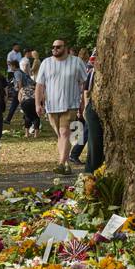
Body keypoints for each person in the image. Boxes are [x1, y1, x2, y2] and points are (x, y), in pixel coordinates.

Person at [36, 38, 88, 174]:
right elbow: (40, 85)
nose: (55, 49)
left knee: (65, 133)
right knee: (60, 135)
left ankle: (60, 163)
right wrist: (38, 103)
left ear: (65, 47)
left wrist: (83, 102)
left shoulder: (76, 62)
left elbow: (85, 84)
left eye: (58, 47)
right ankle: (65, 164)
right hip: (51, 106)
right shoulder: (46, 63)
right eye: (53, 47)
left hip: (70, 104)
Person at [15, 56, 39, 137]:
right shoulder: (35, 88)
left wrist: (21, 104)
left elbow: (19, 98)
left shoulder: (23, 88)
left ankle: (27, 133)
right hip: (33, 101)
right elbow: (39, 95)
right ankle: (36, 134)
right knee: (36, 117)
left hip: (25, 102)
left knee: (27, 116)